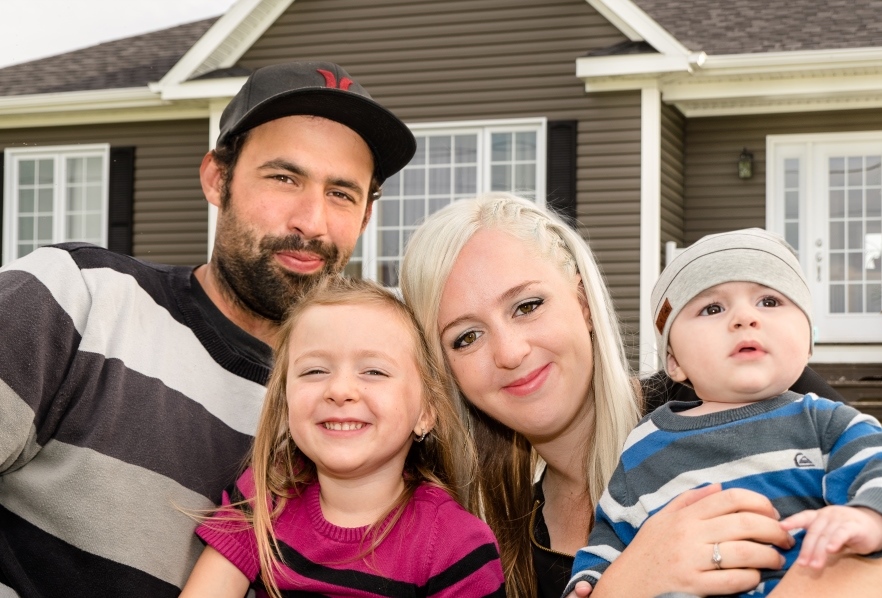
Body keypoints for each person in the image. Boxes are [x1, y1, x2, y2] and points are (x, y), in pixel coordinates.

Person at [0, 61, 415, 597]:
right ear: (218, 179)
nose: (311, 221)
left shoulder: (358, 411)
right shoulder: (77, 298)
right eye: (284, 178)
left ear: (365, 217)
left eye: (341, 193)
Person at [399, 193, 882, 598]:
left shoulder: (728, 388)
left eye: (528, 305)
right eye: (466, 337)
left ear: (583, 303)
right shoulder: (494, 541)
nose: (510, 351)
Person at [565, 228, 882, 597]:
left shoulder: (823, 423)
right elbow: (612, 532)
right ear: (675, 361)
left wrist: (867, 516)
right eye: (712, 308)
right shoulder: (644, 444)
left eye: (769, 301)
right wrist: (589, 581)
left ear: (808, 341)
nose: (745, 317)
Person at [180, 276, 505, 598]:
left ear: (425, 413)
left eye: (374, 371)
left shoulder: (456, 546)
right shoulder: (265, 497)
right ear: (284, 401)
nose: (339, 391)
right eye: (315, 371)